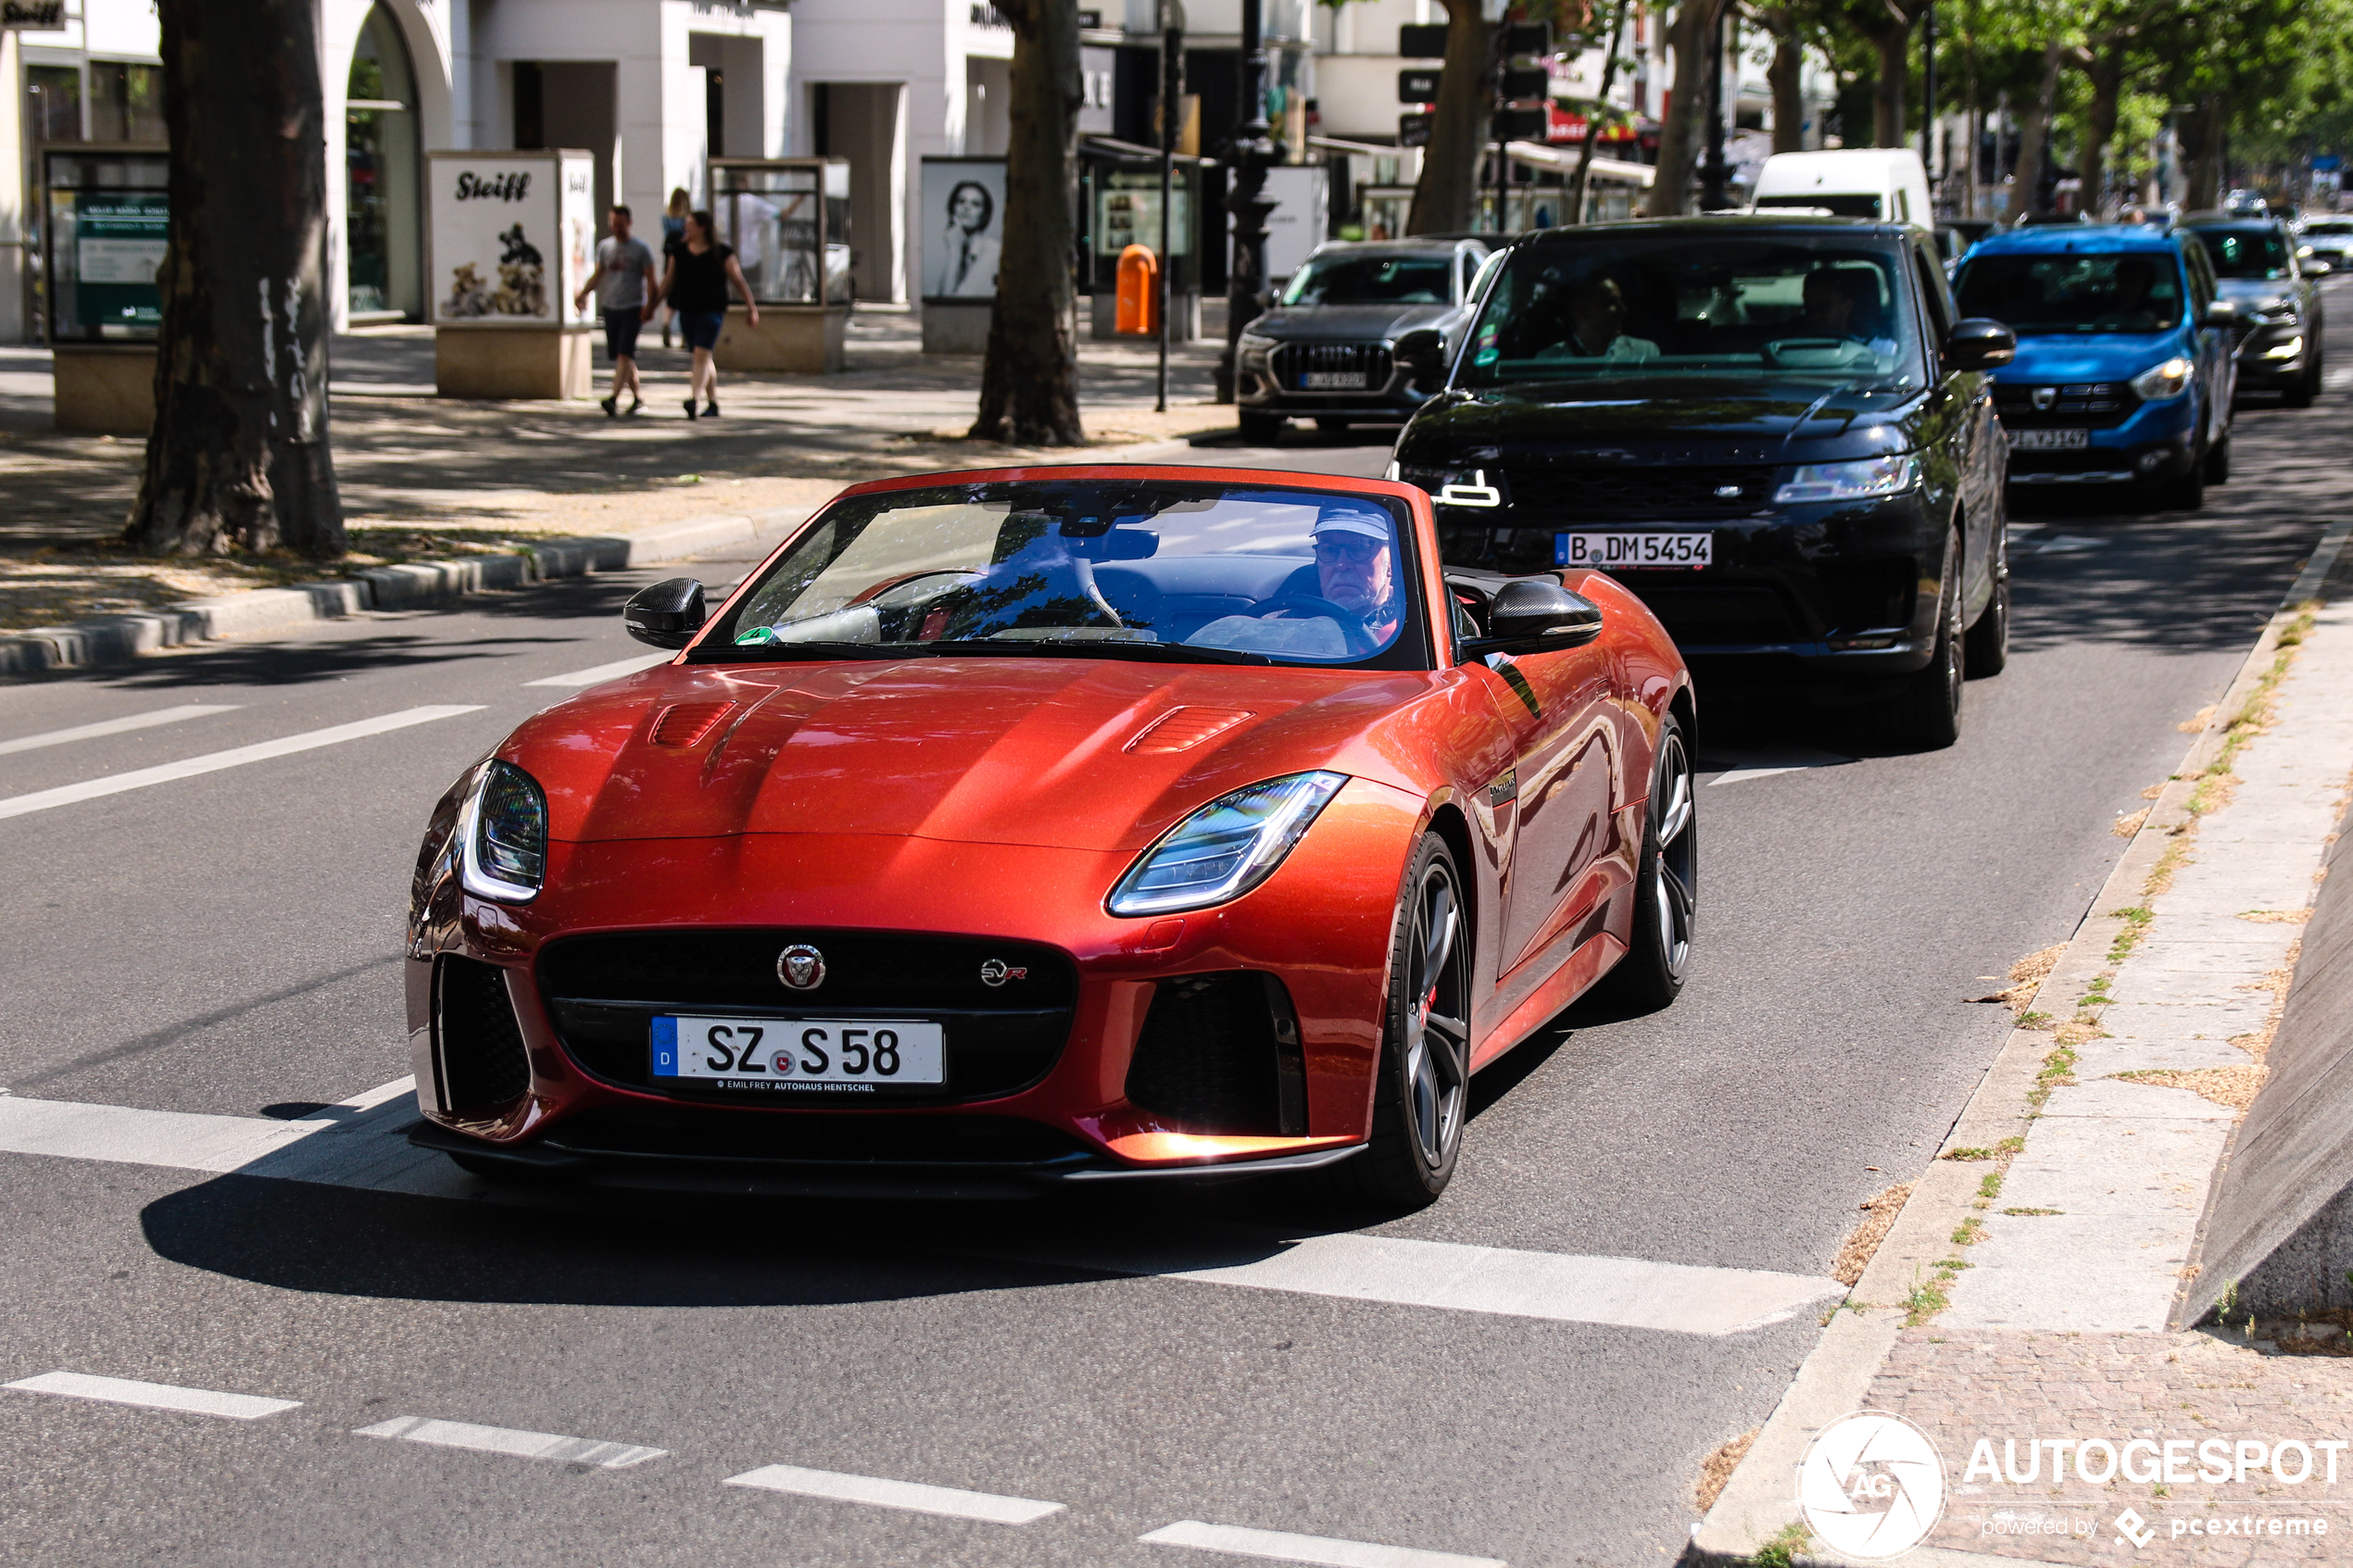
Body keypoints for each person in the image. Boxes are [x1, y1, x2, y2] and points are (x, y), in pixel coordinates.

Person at [653, 208, 760, 420]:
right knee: (702, 356)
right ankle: (713, 403)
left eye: (690, 224)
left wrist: (751, 308)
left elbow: (738, 280)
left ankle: (694, 399)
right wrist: (651, 306)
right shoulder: (679, 251)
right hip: (688, 310)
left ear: (702, 228)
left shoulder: (722, 252)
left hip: (712, 311)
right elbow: (667, 281)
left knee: (701, 353)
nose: (686, 228)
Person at [573, 205, 659, 417]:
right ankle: (638, 399)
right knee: (624, 357)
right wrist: (584, 293)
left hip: (633, 307)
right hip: (610, 307)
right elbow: (598, 273)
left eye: (620, 224)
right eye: (613, 224)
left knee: (624, 354)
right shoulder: (605, 247)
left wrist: (650, 306)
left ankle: (613, 398)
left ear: (629, 223)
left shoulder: (641, 249)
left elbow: (651, 279)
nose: (616, 228)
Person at [1801, 267, 1900, 358]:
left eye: (1823, 308)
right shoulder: (1794, 347)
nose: (1814, 316)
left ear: (1847, 307)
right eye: (1808, 309)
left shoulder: (1881, 350)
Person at [929, 180, 1001, 298]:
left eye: (975, 204)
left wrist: (955, 252)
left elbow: (950, 304)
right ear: (952, 209)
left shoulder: (993, 252)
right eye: (961, 201)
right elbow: (937, 295)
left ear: (984, 215)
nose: (966, 207)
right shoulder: (961, 248)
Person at [1564, 276, 1659, 361]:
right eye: (1610, 302)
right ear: (1581, 312)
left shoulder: (1645, 353)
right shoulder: (1552, 360)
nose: (1623, 310)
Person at [658, 187, 690, 348]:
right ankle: (685, 336)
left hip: (669, 257)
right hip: (684, 257)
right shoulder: (688, 218)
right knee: (685, 295)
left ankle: (666, 323)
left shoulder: (666, 217)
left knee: (670, 294)